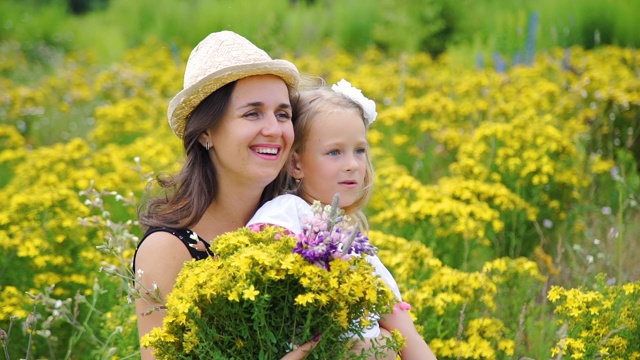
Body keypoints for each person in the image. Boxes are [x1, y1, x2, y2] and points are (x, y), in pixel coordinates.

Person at [133, 30, 315, 360]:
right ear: (205, 132)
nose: (274, 129)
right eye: (252, 113)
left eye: (283, 114)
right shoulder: (169, 250)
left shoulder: (298, 218)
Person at [247, 79, 438, 360]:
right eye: (334, 152)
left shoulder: (354, 241)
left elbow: (403, 332)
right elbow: (267, 264)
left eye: (359, 150)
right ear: (296, 164)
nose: (352, 164)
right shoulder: (288, 211)